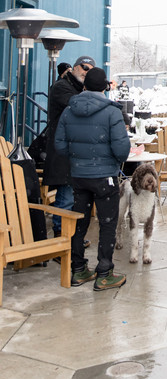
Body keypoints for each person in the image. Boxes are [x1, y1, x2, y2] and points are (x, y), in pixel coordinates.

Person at [54, 67, 130, 291]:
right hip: (104, 177)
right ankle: (104, 273)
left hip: (78, 176)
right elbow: (122, 150)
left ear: (85, 86)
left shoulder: (69, 110)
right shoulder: (112, 112)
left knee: (80, 221)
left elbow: (59, 145)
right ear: (105, 87)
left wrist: (79, 158)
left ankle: (78, 270)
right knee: (107, 224)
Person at [43, 55, 95, 238]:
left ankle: (70, 237)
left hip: (75, 151)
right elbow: (77, 106)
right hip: (62, 151)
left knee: (74, 197)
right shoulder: (61, 87)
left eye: (90, 69)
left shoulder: (80, 88)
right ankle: (60, 239)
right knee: (65, 196)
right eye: (83, 67)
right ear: (74, 67)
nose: (86, 71)